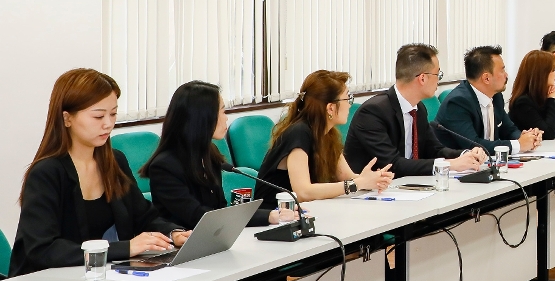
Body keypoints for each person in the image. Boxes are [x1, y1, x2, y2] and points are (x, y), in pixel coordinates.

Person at [9, 69, 189, 277]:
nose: (108, 124)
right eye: (98, 116)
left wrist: (173, 234)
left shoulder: (115, 161)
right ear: (67, 118)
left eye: (113, 114)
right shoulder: (46, 173)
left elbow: (144, 217)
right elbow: (44, 249)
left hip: (98, 278)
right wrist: (125, 248)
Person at [144, 81, 296, 230]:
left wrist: (271, 215)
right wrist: (268, 216)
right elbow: (198, 216)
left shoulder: (209, 154)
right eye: (222, 112)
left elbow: (220, 210)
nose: (226, 118)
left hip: (213, 237)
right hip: (184, 243)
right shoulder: (164, 167)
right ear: (203, 117)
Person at [254, 70, 393, 210]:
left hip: (303, 212)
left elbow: (346, 177)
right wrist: (358, 184)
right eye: (348, 98)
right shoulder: (299, 133)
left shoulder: (327, 133)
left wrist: (372, 180)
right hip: (274, 215)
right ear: (331, 108)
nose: (350, 105)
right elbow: (302, 192)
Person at [343, 44, 487, 178]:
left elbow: (434, 150)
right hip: (372, 191)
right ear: (422, 78)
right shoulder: (373, 112)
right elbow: (392, 164)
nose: (438, 81)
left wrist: (466, 155)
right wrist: (450, 164)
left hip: (407, 186)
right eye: (438, 75)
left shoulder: (418, 109)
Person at [435, 46, 542, 154]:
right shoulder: (457, 103)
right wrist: (518, 145)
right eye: (502, 70)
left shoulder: (496, 96)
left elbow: (509, 129)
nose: (506, 75)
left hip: (487, 161)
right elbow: (473, 145)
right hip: (455, 162)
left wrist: (526, 137)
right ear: (486, 78)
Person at [509, 50, 555, 138]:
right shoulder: (523, 102)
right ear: (541, 74)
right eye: (553, 70)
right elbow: (548, 134)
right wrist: (552, 100)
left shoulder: (545, 97)